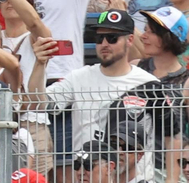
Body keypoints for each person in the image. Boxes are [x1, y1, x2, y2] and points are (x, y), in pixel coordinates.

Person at [33, 11, 157, 167]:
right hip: (88, 176)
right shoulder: (78, 77)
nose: (104, 44)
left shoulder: (148, 82)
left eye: (112, 38)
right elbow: (37, 103)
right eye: (99, 38)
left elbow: (170, 134)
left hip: (134, 178)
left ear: (130, 40)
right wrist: (39, 64)